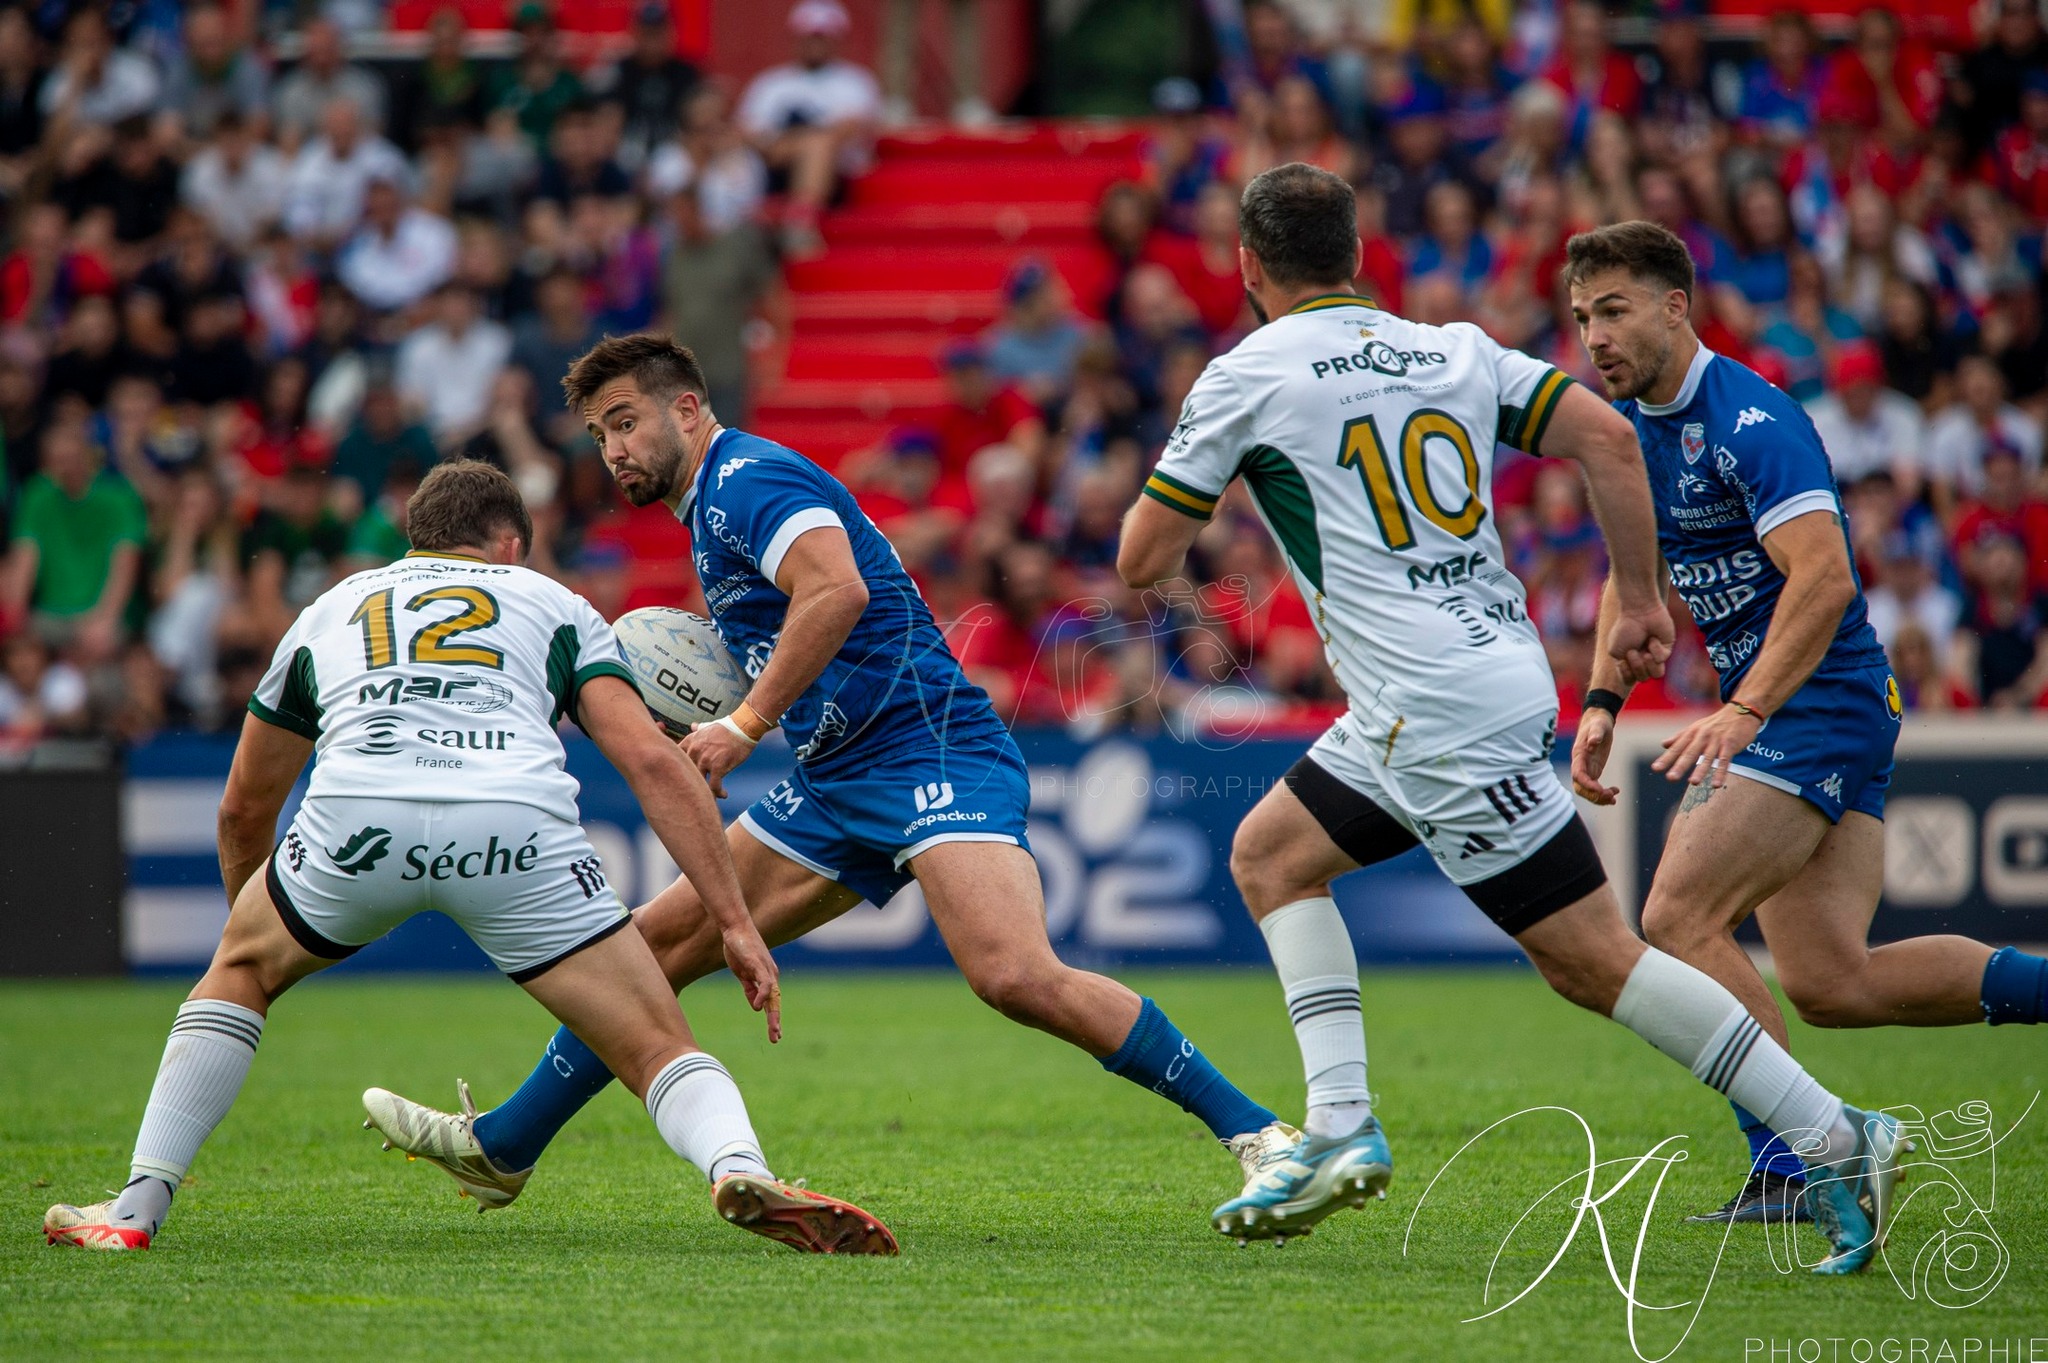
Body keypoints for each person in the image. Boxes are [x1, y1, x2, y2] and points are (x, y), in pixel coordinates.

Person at [1116, 165, 1900, 1274]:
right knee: (1272, 855)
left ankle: (1833, 1134)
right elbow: (1608, 443)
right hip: (1467, 677)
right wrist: (1635, 596)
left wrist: (1240, 497)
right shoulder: (1453, 348)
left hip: (1429, 710)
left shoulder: (1246, 373)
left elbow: (1141, 560)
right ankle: (1337, 1123)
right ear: (1358, 254)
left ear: (1246, 268)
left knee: (1590, 960)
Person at [362, 336, 1300, 1224]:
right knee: (648, 950)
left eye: (625, 421)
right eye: (601, 433)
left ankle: (1262, 1131)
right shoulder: (708, 510)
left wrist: (743, 723)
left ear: (687, 410)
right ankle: (506, 1145)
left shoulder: (745, 478)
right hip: (836, 771)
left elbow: (838, 590)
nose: (612, 448)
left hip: (930, 749)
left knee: (1012, 972)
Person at [42, 459, 894, 1255]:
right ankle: (736, 1166)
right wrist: (735, 923)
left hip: (358, 817)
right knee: (653, 1043)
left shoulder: (332, 608)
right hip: (512, 821)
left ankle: (134, 1210)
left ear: (412, 536)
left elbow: (243, 805)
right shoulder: (548, 599)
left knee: (236, 978)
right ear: (510, 545)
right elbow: (649, 762)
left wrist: (255, 927)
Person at [1563, 220, 2047, 1229]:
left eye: (1611, 310)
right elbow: (1629, 582)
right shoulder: (1624, 433)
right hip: (1810, 706)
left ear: (1672, 307)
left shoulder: (1749, 419)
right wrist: (1604, 700)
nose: (1593, 337)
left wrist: (1742, 709)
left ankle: (1797, 1158)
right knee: (1831, 979)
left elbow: (1823, 577)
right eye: (1578, 318)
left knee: (1674, 918)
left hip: (1814, 701)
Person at [735, 0, 880, 257]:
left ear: (837, 39)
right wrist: (787, 147)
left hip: (834, 180)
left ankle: (799, 223)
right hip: (773, 172)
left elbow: (845, 131)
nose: (814, 44)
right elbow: (749, 133)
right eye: (808, 37)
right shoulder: (770, 84)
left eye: (821, 37)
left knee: (819, 145)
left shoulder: (855, 82)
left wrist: (789, 144)